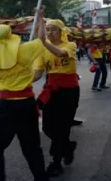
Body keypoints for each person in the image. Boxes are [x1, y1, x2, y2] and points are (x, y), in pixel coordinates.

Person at [0, 21, 49, 181]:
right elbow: (41, 41)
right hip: (27, 104)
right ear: (10, 37)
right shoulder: (25, 50)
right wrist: (41, 21)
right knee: (32, 147)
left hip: (7, 106)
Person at [34, 18, 81, 177]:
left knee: (62, 128)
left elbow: (60, 53)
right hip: (51, 91)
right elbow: (38, 73)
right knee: (48, 127)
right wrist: (18, 82)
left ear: (61, 32)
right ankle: (68, 147)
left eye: (54, 29)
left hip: (69, 92)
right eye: (47, 30)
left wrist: (43, 41)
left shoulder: (70, 45)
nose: (50, 33)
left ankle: (56, 162)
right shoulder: (43, 50)